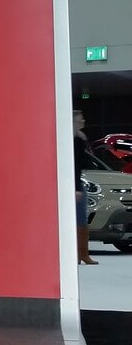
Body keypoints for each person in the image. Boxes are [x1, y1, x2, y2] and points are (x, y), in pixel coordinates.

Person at [75, 110, 98, 265]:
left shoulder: (79, 138)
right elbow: (75, 165)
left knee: (80, 219)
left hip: (77, 181)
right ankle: (82, 253)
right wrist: (76, 186)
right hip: (75, 183)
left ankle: (81, 253)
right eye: (80, 119)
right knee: (80, 219)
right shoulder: (75, 140)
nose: (83, 120)